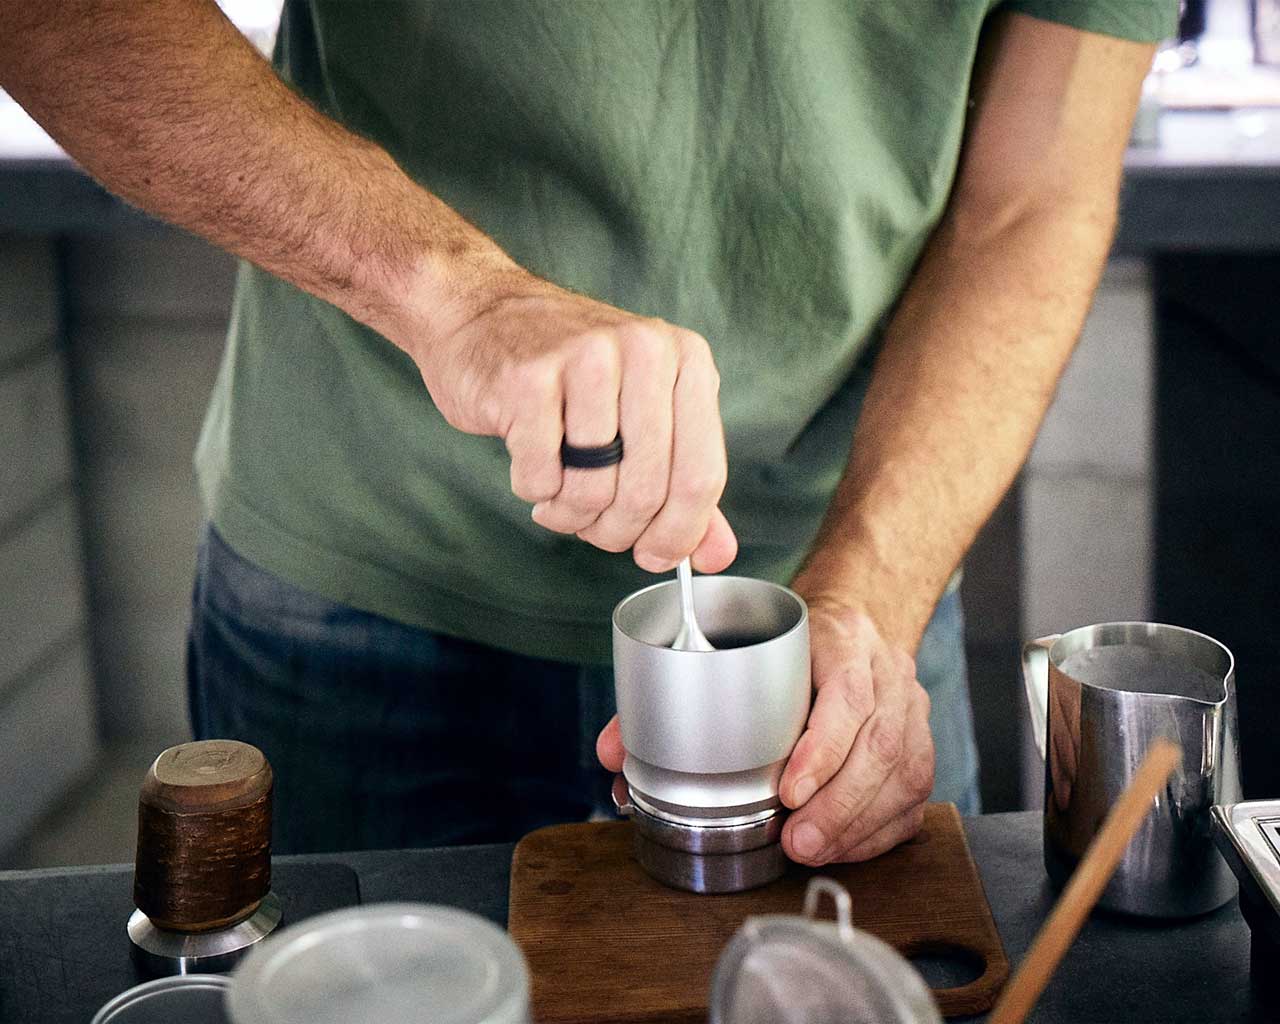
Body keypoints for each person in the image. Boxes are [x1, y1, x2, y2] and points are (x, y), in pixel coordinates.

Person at [1, 1, 1173, 861]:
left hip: (840, 626)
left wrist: (873, 589)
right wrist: (455, 294)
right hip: (357, 561)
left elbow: (1036, 195)